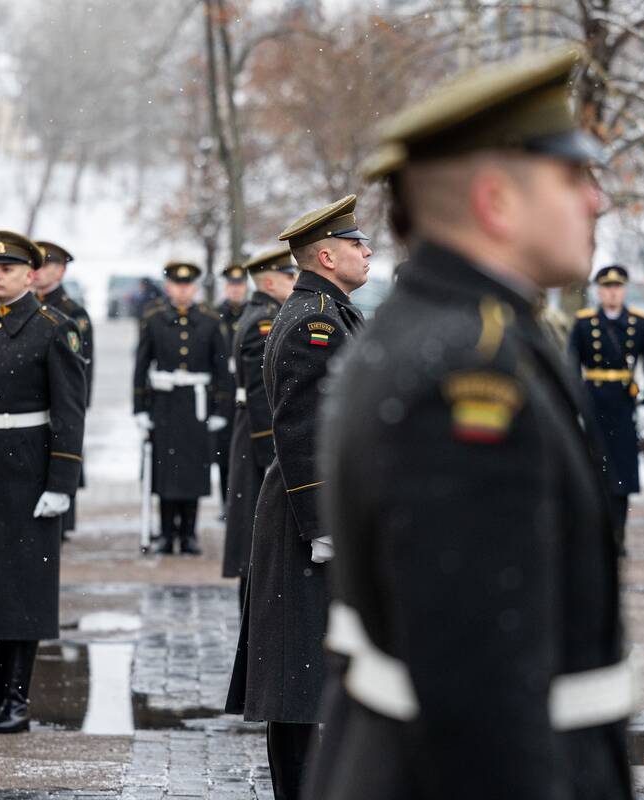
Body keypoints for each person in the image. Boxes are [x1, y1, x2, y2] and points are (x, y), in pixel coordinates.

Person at [305, 45, 633, 798]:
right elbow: (481, 700)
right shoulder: (467, 369)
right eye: (575, 175)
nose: (597, 201)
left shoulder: (452, 330)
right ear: (497, 200)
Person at [226, 195, 370, 799]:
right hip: (304, 517)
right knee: (297, 676)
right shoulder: (314, 321)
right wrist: (321, 525)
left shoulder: (329, 311)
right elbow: (302, 428)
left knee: (309, 672)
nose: (368, 252)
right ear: (329, 255)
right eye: (358, 244)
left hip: (316, 511)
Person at [0, 231, 86, 734]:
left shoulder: (54, 329)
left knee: (22, 591)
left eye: (6, 269)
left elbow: (70, 413)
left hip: (29, 474)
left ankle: (17, 700)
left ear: (30, 276)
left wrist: (61, 483)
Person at [133, 262, 232, 554]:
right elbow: (140, 367)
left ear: (196, 288)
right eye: (177, 284)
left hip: (196, 405)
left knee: (193, 471)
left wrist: (220, 411)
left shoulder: (211, 321)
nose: (182, 290)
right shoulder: (154, 319)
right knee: (165, 470)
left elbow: (222, 370)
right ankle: (165, 533)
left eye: (188, 285)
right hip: (164, 405)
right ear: (168, 287)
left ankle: (189, 533)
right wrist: (140, 408)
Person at [221, 248, 298, 609]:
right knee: (256, 540)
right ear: (269, 281)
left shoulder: (261, 315)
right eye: (289, 277)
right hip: (257, 440)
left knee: (254, 539)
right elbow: (259, 395)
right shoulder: (263, 321)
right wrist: (273, 454)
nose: (295, 282)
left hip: (249, 435)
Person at [569, 265, 644, 551]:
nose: (612, 292)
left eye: (617, 287)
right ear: (598, 291)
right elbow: (571, 367)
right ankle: (597, 534)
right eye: (607, 287)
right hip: (594, 401)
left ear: (624, 290)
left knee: (621, 473)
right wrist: (576, 407)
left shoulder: (639, 322)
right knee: (595, 470)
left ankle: (618, 534)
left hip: (623, 404)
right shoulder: (584, 323)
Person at [34, 240, 93, 539]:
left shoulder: (73, 313)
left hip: (62, 401)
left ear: (61, 271)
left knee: (62, 454)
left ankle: (64, 523)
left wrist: (79, 406)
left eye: (46, 265)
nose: (39, 272)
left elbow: (83, 367)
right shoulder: (29, 307)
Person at [214, 264, 249, 511]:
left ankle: (241, 501)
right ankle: (226, 502)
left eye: (239, 285)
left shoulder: (253, 313)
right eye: (231, 285)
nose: (235, 290)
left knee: (245, 449)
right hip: (224, 390)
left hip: (246, 386)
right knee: (223, 451)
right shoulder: (216, 316)